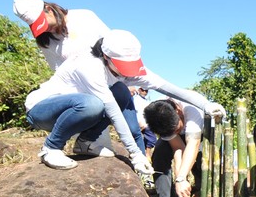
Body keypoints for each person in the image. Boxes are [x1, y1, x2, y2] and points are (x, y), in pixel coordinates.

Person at [25, 29, 225, 172]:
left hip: (78, 112)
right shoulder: (90, 66)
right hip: (43, 110)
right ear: (106, 56)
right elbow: (113, 112)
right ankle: (51, 148)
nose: (126, 70)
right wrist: (136, 154)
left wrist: (205, 104)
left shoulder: (128, 70)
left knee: (121, 91)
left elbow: (168, 87)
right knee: (92, 104)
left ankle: (86, 143)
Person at [13, 0, 126, 156]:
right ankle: (54, 147)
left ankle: (88, 142)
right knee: (92, 105)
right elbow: (58, 71)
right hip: (83, 96)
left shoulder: (85, 17)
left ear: (49, 9)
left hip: (106, 85)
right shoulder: (46, 40)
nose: (46, 29)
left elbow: (116, 47)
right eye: (38, 26)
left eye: (44, 23)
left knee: (121, 100)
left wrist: (126, 79)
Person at [142, 97, 205, 197]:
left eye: (176, 129)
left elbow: (192, 145)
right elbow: (178, 149)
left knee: (201, 157)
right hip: (183, 142)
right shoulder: (160, 119)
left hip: (201, 137)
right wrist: (179, 180)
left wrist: (182, 178)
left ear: (178, 110)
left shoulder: (192, 109)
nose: (175, 132)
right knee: (160, 152)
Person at [130, 86, 157, 155]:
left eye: (146, 90)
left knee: (151, 139)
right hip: (138, 122)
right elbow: (135, 111)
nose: (145, 91)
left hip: (146, 123)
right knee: (136, 137)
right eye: (143, 90)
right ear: (139, 90)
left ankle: (146, 153)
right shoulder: (135, 99)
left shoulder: (146, 101)